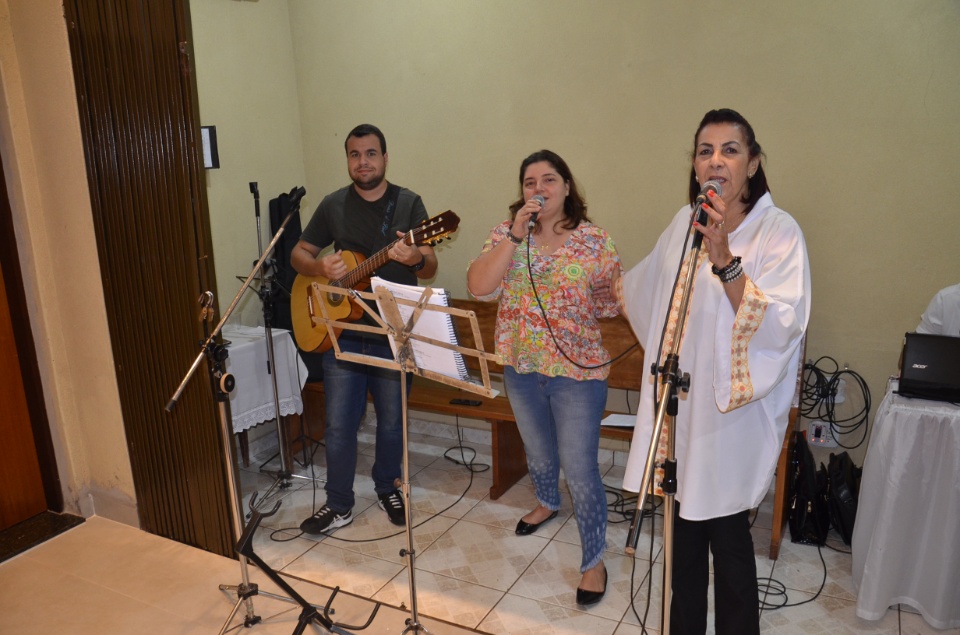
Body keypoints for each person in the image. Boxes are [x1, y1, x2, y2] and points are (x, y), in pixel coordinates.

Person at [616, 109, 811, 634]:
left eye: (729, 149)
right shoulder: (686, 221)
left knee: (727, 541)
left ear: (753, 162)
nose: (716, 160)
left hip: (730, 417)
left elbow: (780, 325)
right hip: (681, 411)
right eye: (705, 150)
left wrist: (723, 255)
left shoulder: (779, 232)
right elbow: (647, 286)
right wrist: (608, 288)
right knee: (681, 542)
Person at [466, 150, 622, 606]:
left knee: (580, 467)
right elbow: (479, 286)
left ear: (567, 187)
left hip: (577, 373)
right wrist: (515, 235)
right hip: (520, 365)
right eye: (530, 181)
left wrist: (599, 295)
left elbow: (610, 304)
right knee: (537, 450)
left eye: (549, 179)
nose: (540, 188)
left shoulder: (595, 241)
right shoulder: (505, 234)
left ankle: (594, 560)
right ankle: (547, 502)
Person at [291, 123, 438, 533]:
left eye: (371, 154)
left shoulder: (409, 204)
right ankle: (339, 504)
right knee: (339, 424)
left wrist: (412, 258)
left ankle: (388, 486)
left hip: (393, 330)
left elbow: (429, 264)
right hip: (344, 331)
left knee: (392, 421)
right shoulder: (332, 204)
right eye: (355, 155)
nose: (363, 162)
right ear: (348, 161)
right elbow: (299, 254)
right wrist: (318, 267)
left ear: (385, 158)